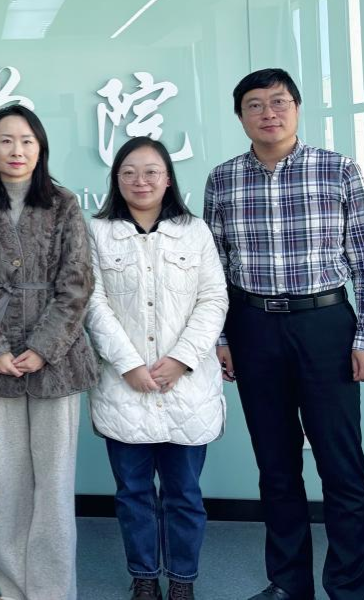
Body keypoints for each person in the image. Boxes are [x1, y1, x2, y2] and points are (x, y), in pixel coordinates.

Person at [204, 68, 364, 600]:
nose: (269, 113)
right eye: (255, 105)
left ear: (297, 108)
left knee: (341, 465)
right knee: (276, 466)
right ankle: (288, 584)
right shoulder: (222, 179)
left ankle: (348, 589)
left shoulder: (338, 169)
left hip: (325, 325)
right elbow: (214, 269)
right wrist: (221, 338)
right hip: (253, 326)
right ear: (240, 116)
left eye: (279, 101)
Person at [0, 104, 96, 600]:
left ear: (41, 148)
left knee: (53, 483)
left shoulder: (64, 203)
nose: (17, 150)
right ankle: (12, 587)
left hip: (58, 361)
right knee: (10, 480)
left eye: (27, 141)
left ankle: (52, 590)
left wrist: (42, 347)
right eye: (6, 140)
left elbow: (77, 283)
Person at [84, 137, 228, 600]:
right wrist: (128, 364)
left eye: (151, 171)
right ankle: (144, 577)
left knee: (184, 494)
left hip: (187, 387)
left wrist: (182, 359)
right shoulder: (97, 231)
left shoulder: (195, 231)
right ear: (116, 179)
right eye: (129, 172)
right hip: (123, 387)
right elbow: (92, 303)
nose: (140, 181)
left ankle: (182, 581)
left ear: (168, 178)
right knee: (133, 494)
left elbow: (213, 299)